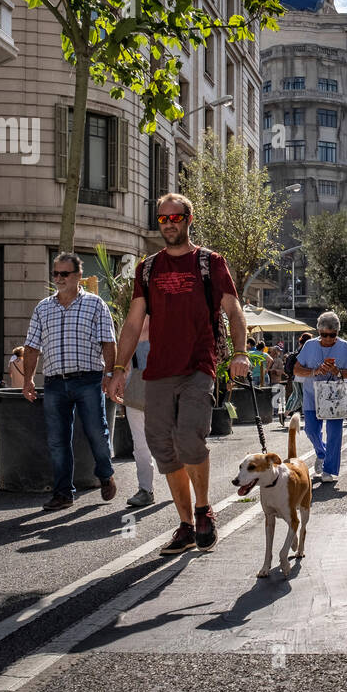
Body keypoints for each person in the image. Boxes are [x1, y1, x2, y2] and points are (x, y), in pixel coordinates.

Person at [107, 193, 251, 554]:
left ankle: (204, 510)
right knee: (164, 450)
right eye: (162, 218)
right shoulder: (148, 268)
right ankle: (186, 525)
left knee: (189, 437)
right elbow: (132, 322)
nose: (168, 222)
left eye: (176, 216)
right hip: (157, 372)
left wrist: (240, 353)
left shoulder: (209, 263)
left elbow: (234, 311)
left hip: (197, 367)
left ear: (189, 218)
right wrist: (120, 369)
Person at [22, 252, 119, 511]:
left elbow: (108, 342)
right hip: (54, 383)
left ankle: (105, 473)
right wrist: (28, 380)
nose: (59, 278)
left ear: (78, 276)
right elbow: (31, 346)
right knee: (57, 440)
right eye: (55, 274)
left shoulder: (95, 304)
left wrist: (109, 375)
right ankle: (64, 493)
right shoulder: (43, 308)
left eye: (64, 274)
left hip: (88, 380)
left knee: (97, 432)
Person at [293, 311, 347, 482]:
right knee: (311, 430)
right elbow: (296, 369)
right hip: (312, 395)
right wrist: (314, 371)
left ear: (337, 332)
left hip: (336, 396)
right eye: (323, 335)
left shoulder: (343, 346)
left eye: (332, 335)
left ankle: (329, 470)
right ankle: (322, 453)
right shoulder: (310, 346)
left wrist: (337, 371)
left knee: (334, 432)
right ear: (318, 331)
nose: (328, 339)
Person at [121, 316, 156, 506]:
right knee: (140, 444)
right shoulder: (130, 331)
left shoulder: (168, 325)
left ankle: (181, 483)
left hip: (164, 390)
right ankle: (145, 489)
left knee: (171, 441)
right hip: (135, 390)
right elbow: (124, 366)